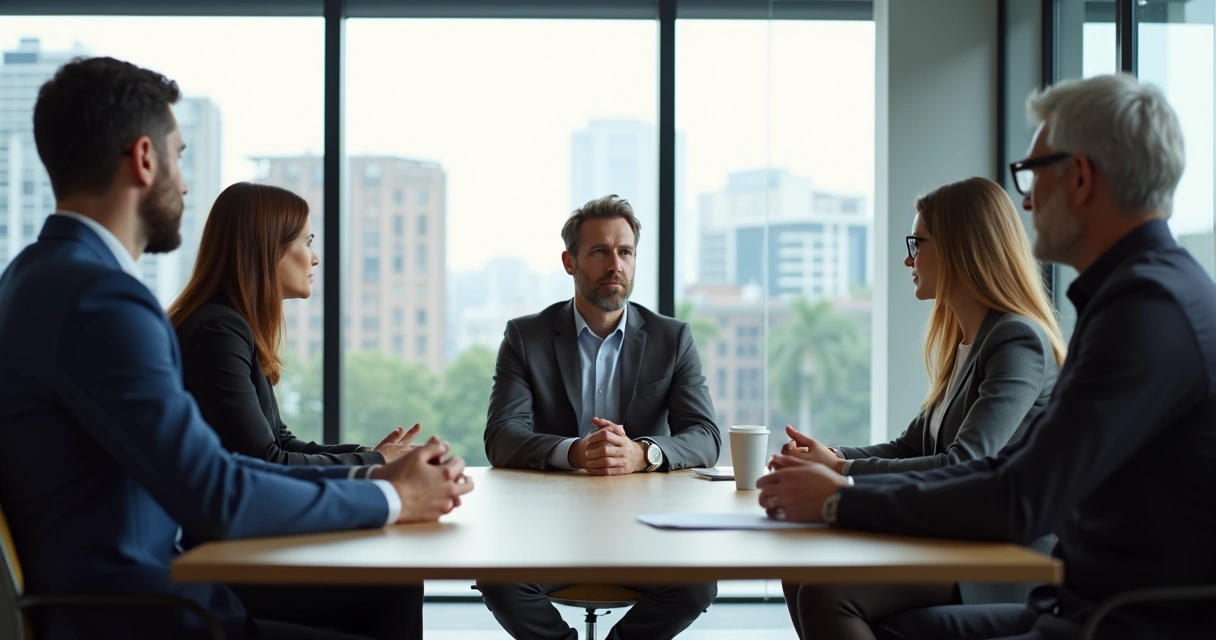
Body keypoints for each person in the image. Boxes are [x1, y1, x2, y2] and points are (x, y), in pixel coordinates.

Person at [0, 56, 472, 640]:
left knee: (386, 587)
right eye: (179, 156)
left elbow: (222, 469)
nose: (186, 181)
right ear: (145, 159)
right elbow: (215, 491)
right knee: (389, 588)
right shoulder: (103, 301)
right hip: (154, 612)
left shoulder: (31, 275)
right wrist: (392, 498)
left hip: (132, 591)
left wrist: (373, 475)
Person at [758, 73, 1215, 640]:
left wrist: (840, 500)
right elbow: (1008, 475)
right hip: (1084, 601)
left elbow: (1018, 496)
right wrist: (839, 473)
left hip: (1109, 619)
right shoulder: (1153, 294)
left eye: (1032, 174)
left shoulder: (1145, 311)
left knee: (838, 595)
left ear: (1079, 177)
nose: (1025, 199)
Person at [779, 176, 1066, 639]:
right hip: (959, 538)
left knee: (825, 591)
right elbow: (908, 445)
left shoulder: (1017, 341)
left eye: (918, 243)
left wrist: (842, 469)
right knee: (799, 567)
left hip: (1007, 555)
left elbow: (965, 463)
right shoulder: (968, 341)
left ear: (960, 246)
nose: (908, 259)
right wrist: (827, 456)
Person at [478, 195, 720, 640]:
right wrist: (573, 452)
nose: (616, 265)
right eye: (600, 252)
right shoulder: (525, 336)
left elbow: (705, 436)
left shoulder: (672, 337)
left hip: (645, 526)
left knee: (697, 584)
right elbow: (501, 436)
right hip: (548, 525)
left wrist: (642, 454)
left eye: (625, 252)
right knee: (499, 578)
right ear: (570, 262)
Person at [169, 181, 418, 467]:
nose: (316, 258)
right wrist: (375, 460)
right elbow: (267, 460)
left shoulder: (228, 325)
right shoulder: (219, 332)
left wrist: (371, 453)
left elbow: (279, 441)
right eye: (308, 242)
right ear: (268, 248)